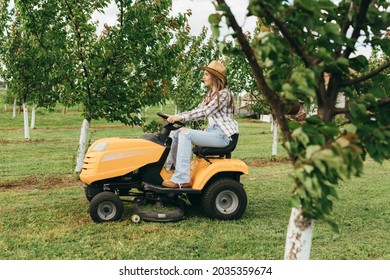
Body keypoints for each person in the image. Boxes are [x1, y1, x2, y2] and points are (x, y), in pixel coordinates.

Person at [162, 60, 238, 188]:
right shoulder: (211, 95)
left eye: (206, 74)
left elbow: (205, 112)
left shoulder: (224, 94)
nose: (203, 77)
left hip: (223, 136)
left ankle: (182, 179)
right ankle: (172, 169)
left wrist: (180, 117)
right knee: (176, 132)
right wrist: (176, 117)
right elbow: (196, 110)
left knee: (186, 135)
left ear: (215, 77)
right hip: (212, 133)